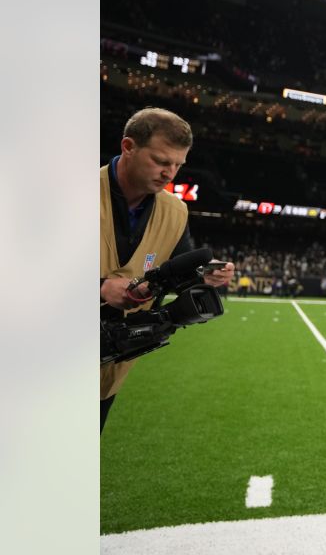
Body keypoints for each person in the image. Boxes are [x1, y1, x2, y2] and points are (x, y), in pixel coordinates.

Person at [100, 108, 235, 431]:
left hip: (111, 364)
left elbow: (180, 273)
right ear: (128, 147)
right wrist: (101, 287)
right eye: (161, 161)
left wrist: (206, 277)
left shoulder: (176, 211)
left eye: (177, 165)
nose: (170, 173)